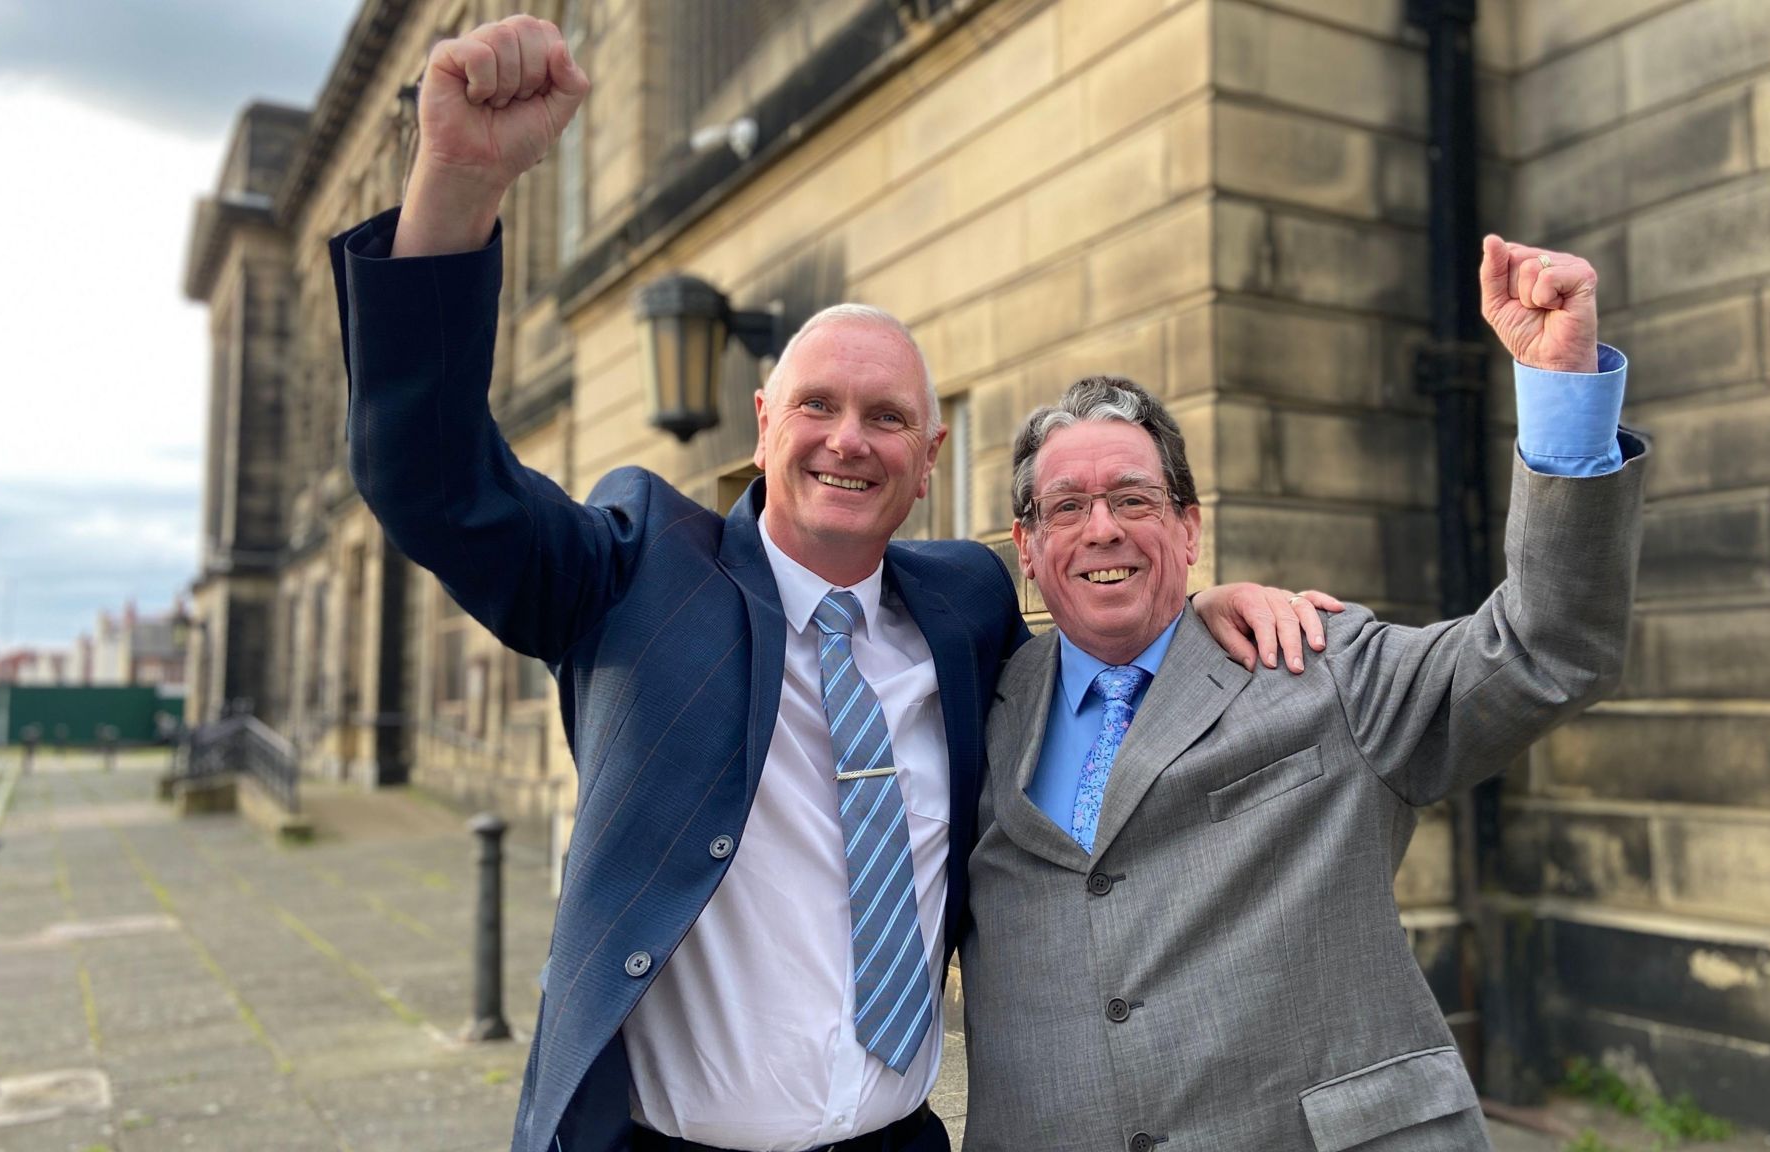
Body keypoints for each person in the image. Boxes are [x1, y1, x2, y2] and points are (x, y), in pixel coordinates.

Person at [329, 17, 1334, 1152]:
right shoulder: (631, 573)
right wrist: (458, 178)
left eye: (886, 417)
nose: (847, 441)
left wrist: (1190, 613)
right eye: (816, 406)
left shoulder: (965, 609)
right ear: (762, 427)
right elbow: (427, 480)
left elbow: (1095, 655)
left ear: (927, 461)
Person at [960, 236, 1649, 1152]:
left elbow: (1547, 648)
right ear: (1030, 549)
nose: (1102, 530)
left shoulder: (1317, 662)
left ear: (1189, 527)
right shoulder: (975, 706)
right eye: (1067, 508)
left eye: (1134, 500)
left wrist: (1560, 386)